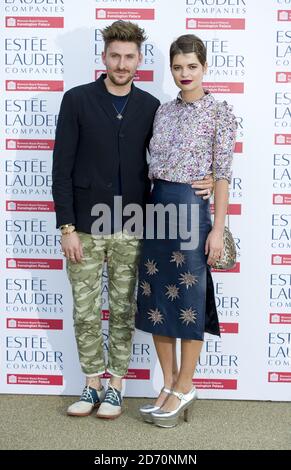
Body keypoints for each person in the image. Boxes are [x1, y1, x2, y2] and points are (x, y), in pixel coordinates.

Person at [52, 22, 214, 420]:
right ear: (104, 57)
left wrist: (207, 177)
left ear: (139, 61)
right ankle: (91, 383)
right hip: (86, 227)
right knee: (86, 310)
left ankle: (116, 388)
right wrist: (67, 227)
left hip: (134, 225)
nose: (121, 64)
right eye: (114, 56)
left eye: (129, 57)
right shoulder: (76, 101)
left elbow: (166, 158)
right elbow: (61, 169)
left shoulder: (150, 107)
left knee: (124, 309)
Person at [136, 34, 237, 428]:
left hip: (192, 213)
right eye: (178, 67)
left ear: (205, 67)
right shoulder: (162, 111)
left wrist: (218, 229)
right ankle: (167, 385)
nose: (184, 74)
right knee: (158, 300)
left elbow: (224, 175)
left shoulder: (220, 112)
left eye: (191, 66)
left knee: (190, 299)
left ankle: (185, 384)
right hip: (156, 210)